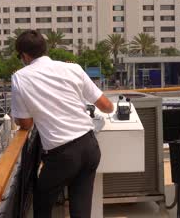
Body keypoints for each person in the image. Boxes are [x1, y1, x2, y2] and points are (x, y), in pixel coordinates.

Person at [11, 30, 114, 218]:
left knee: (42, 202)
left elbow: (25, 123)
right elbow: (107, 107)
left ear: (24, 55)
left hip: (61, 155)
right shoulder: (72, 68)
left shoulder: (20, 77)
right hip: (89, 147)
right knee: (81, 209)